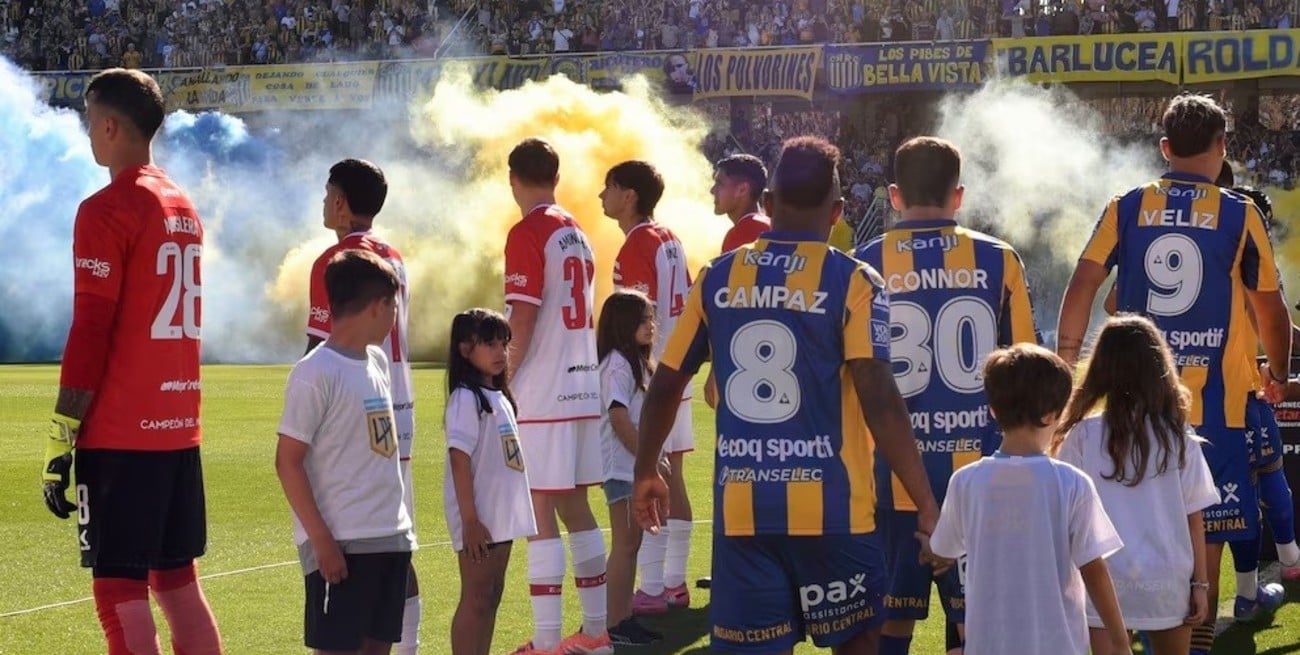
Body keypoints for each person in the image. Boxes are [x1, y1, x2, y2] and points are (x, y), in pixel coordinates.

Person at [633, 136, 942, 654]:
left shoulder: (717, 276)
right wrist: (926, 501)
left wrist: (646, 469)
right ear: (839, 212)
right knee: (861, 644)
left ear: (769, 205)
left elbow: (667, 381)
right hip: (837, 514)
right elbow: (879, 394)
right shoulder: (855, 280)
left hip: (744, 513)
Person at [1057, 93, 1292, 655]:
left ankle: (1118, 629)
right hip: (1214, 409)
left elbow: (1085, 282)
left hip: (1126, 401)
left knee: (1116, 520)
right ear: (1222, 147)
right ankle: (1195, 636)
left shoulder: (1127, 205)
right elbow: (1271, 307)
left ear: (1164, 148)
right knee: (1202, 533)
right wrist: (1278, 373)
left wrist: (1067, 361)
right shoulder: (1241, 212)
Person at [41, 68, 223, 655]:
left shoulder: (106, 208)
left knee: (120, 595)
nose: (88, 134)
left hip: (122, 434)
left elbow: (91, 329)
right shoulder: (181, 203)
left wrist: (62, 431)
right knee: (178, 585)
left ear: (111, 125)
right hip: (178, 429)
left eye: (90, 122)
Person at [854, 136, 1041, 655]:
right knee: (975, 624)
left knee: (890, 624)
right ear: (958, 196)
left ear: (894, 196)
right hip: (981, 476)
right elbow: (1030, 368)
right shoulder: (999, 258)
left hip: (886, 479)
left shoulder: (862, 264)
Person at [929, 344, 1131, 655]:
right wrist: (1119, 643)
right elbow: (1094, 568)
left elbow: (944, 548)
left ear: (993, 410)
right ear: (1053, 414)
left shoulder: (966, 481)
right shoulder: (1072, 483)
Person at [305, 158, 422, 654]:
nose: (324, 201)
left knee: (346, 539)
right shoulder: (394, 256)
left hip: (353, 411)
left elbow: (318, 351)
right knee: (395, 541)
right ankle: (410, 646)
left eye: (328, 191)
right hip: (398, 407)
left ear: (340, 201)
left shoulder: (336, 265)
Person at [276, 249, 416, 655]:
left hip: (389, 537)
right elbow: (288, 461)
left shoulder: (375, 360)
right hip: (343, 544)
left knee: (377, 648)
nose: (395, 317)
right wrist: (321, 541)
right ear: (378, 306)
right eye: (393, 305)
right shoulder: (314, 373)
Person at [1054, 315, 1219, 655]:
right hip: (1166, 580)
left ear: (1101, 368)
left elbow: (1064, 520)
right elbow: (1194, 517)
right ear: (1157, 366)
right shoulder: (1178, 437)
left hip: (1101, 582)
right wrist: (1200, 585)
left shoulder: (1081, 436)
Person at [503, 137, 611, 655]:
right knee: (576, 506)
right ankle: (595, 632)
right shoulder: (578, 231)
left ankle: (547, 642)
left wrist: (502, 376)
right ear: (556, 176)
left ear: (512, 178)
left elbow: (522, 315)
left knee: (540, 511)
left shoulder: (529, 230)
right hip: (582, 384)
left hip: (543, 392)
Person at [599, 160, 695, 615]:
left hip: (652, 380)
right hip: (679, 370)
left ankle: (654, 587)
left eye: (609, 187)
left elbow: (635, 316)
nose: (602, 196)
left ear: (629, 194)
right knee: (673, 475)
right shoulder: (671, 238)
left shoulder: (637, 244)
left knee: (655, 473)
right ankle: (672, 582)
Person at [443, 308, 537, 655]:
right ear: (465, 349)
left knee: (492, 594)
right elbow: (459, 458)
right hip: (479, 517)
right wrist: (469, 521)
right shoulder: (466, 398)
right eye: (489, 344)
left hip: (501, 515)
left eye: (503, 344)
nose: (500, 352)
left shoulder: (500, 396)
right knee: (477, 596)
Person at [595, 290, 665, 646]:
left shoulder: (636, 362)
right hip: (622, 469)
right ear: (622, 324)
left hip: (632, 467)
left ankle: (623, 616)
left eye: (652, 318)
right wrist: (646, 459)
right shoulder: (617, 365)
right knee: (624, 543)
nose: (651, 325)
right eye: (643, 319)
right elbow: (618, 415)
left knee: (632, 543)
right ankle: (614, 622)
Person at [703, 154, 771, 413]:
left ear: (742, 189)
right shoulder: (765, 225)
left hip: (749, 356)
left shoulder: (743, 234)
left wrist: (716, 366)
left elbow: (734, 304)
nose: (713, 189)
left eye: (720, 183)